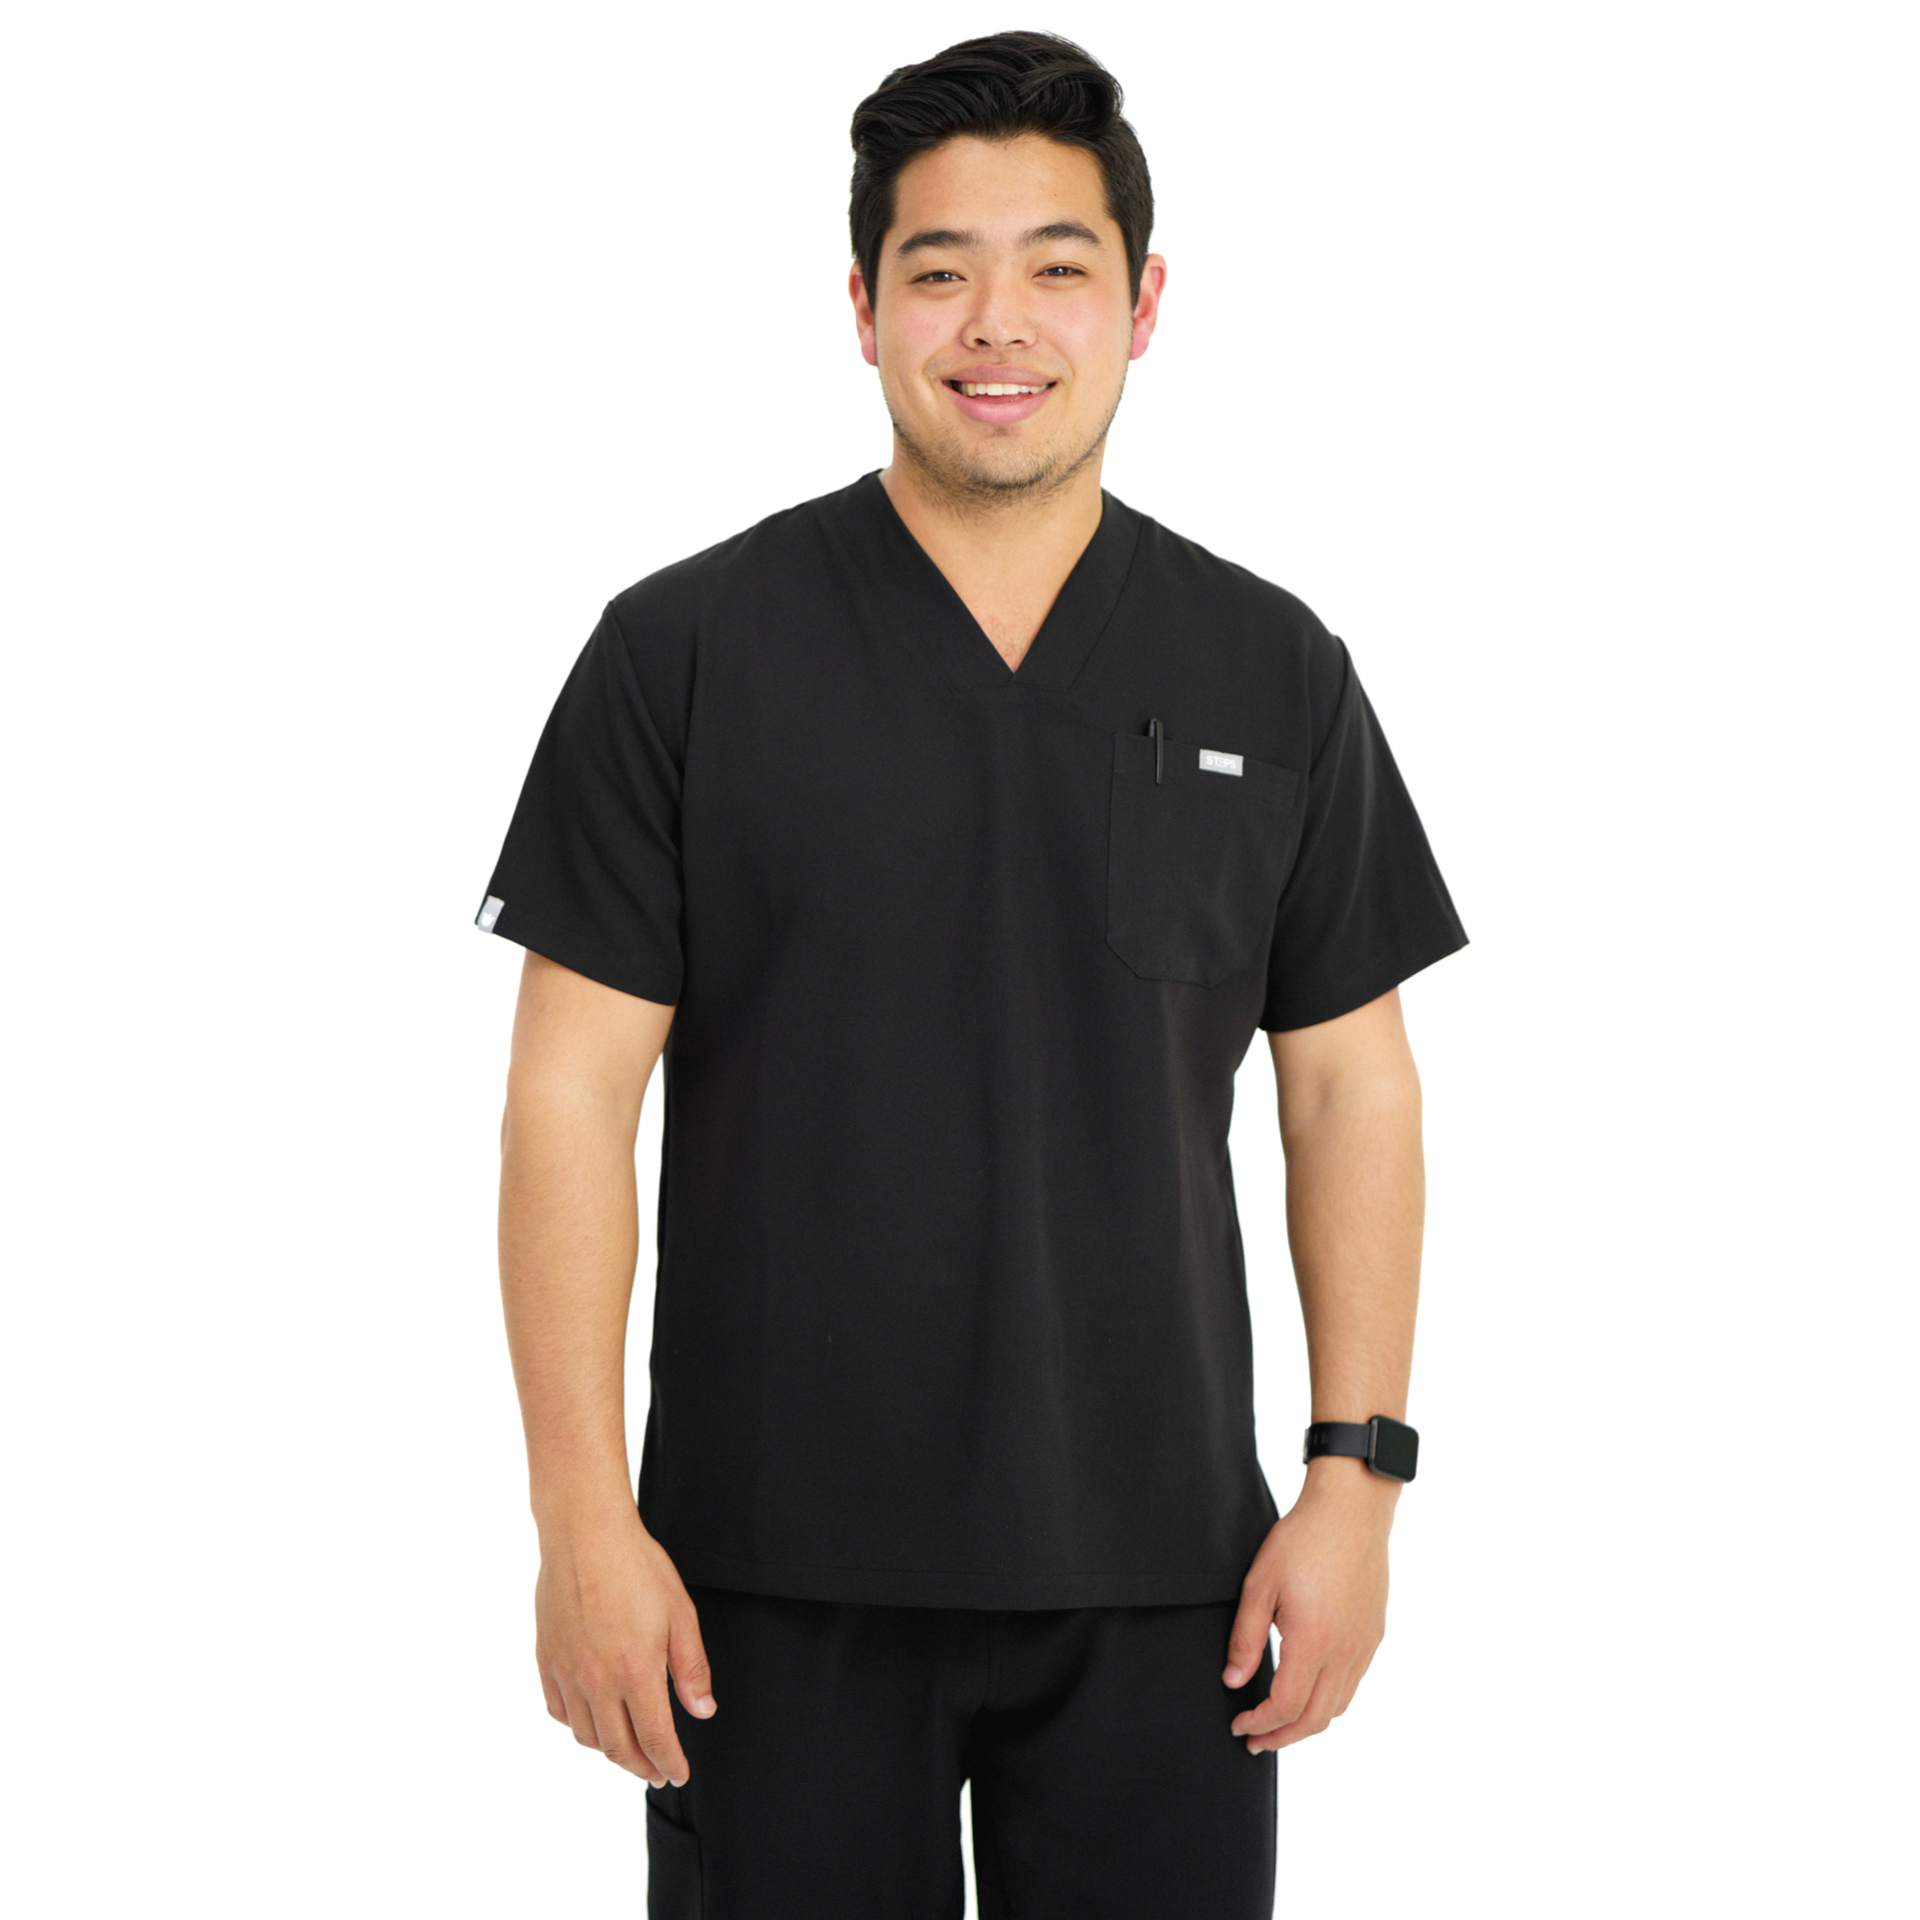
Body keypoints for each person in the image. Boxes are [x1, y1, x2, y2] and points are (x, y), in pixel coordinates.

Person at [477, 30, 1466, 1920]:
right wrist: (579, 1516)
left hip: (1170, 1577)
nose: (996, 323)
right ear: (861, 309)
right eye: (938, 270)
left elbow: (1352, 1083)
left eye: (1056, 267)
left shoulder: (1274, 669)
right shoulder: (682, 654)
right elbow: (568, 1097)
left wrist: (1357, 1481)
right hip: (761, 1581)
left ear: (1143, 304)